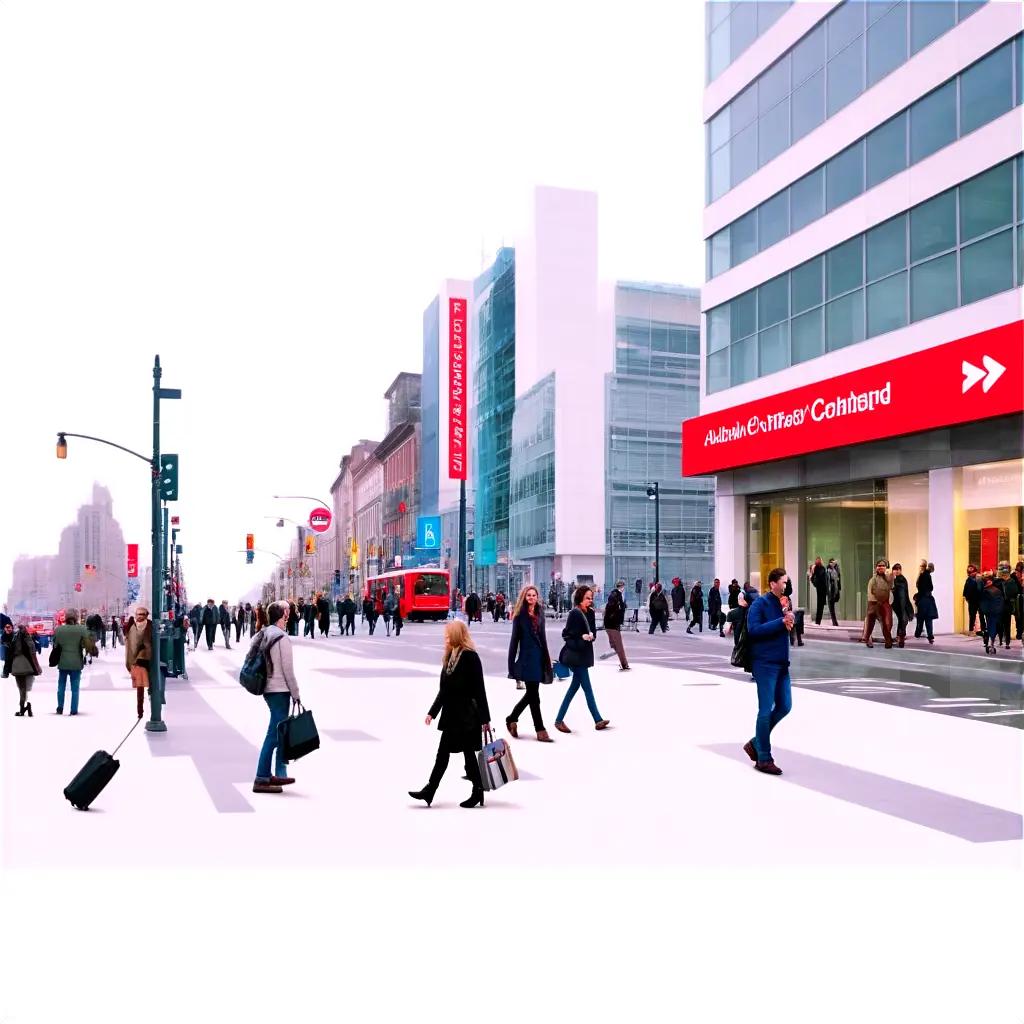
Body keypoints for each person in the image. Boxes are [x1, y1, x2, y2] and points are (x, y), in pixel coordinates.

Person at [408, 620, 490, 808]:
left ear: (457, 635)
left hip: (468, 715)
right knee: (443, 754)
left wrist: (485, 719)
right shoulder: (450, 656)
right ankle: (430, 790)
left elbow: (480, 689)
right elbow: (444, 690)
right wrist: (432, 712)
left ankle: (477, 790)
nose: (445, 637)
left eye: (448, 634)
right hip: (452, 715)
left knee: (469, 756)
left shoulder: (470, 657)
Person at [743, 568, 795, 776]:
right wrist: (780, 622)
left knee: (785, 706)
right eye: (783, 582)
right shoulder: (760, 604)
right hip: (764, 664)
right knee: (765, 709)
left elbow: (784, 626)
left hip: (782, 664)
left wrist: (790, 618)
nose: (786, 585)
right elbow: (753, 630)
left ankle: (756, 741)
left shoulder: (783, 603)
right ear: (772, 583)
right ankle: (763, 757)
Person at [252, 600, 301, 794]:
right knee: (274, 734)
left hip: (268, 688)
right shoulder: (281, 638)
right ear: (283, 615)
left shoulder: (264, 633)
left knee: (278, 732)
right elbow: (288, 670)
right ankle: (262, 777)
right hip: (279, 690)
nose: (290, 613)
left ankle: (279, 773)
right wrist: (296, 693)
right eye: (287, 611)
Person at [554, 586, 609, 734]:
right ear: (580, 598)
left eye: (591, 598)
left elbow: (594, 632)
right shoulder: (574, 613)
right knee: (588, 689)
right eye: (587, 598)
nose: (590, 601)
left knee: (573, 689)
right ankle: (597, 719)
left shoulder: (590, 613)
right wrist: (581, 638)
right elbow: (566, 635)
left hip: (584, 655)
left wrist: (591, 636)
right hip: (576, 656)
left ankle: (559, 720)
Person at [506, 585, 554, 742]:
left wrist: (547, 660)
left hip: (538, 658)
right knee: (534, 695)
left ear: (537, 597)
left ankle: (512, 718)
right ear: (524, 598)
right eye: (528, 596)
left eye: (534, 595)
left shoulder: (540, 613)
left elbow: (543, 638)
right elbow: (514, 641)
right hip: (526, 660)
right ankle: (540, 729)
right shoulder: (519, 616)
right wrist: (511, 664)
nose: (531, 598)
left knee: (531, 695)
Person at [52, 609, 95, 715]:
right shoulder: (82, 629)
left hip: (62, 662)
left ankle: (60, 707)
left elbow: (55, 644)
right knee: (75, 688)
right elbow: (87, 643)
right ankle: (73, 709)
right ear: (76, 617)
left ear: (66, 617)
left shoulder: (59, 630)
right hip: (76, 663)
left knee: (61, 686)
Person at [4, 623, 41, 717]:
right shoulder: (28, 639)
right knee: (26, 688)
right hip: (28, 665)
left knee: (21, 688)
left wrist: (6, 669)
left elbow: (9, 653)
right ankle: (26, 705)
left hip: (17, 665)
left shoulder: (15, 639)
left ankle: (22, 708)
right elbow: (33, 651)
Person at [124, 606, 154, 719]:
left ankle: (153, 710)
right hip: (137, 661)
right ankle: (140, 712)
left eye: (142, 614)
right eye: (138, 614)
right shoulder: (132, 626)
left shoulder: (151, 625)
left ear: (146, 615)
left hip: (148, 659)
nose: (140, 616)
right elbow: (128, 644)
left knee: (152, 687)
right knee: (140, 688)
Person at [864, 561, 894, 649]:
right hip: (873, 604)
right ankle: (867, 639)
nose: (880, 567)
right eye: (879, 566)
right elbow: (870, 592)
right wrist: (875, 601)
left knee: (885, 623)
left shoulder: (888, 578)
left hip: (883, 604)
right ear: (876, 568)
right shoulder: (873, 579)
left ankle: (888, 641)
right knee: (870, 623)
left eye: (883, 566)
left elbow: (891, 587)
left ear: (885, 567)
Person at [601, 579, 630, 671]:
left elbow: (610, 608)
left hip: (609, 623)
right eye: (622, 586)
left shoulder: (614, 595)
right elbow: (613, 608)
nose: (623, 588)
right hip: (613, 623)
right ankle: (624, 664)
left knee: (615, 644)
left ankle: (615, 652)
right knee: (618, 645)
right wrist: (620, 608)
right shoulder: (616, 595)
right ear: (621, 587)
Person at [978, 572, 1005, 655]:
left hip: (990, 613)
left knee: (991, 627)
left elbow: (984, 604)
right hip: (996, 612)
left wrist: (985, 611)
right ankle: (992, 644)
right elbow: (1001, 602)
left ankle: (991, 645)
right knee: (993, 627)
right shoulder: (997, 590)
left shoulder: (986, 591)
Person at [890, 564, 915, 649]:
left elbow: (902, 593)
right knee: (902, 619)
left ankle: (900, 637)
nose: (897, 571)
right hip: (897, 603)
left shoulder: (901, 579)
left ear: (900, 570)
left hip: (901, 603)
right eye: (895, 569)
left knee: (902, 619)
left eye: (898, 569)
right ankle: (900, 636)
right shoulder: (894, 579)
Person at [913, 560, 938, 644]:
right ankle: (930, 636)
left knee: (921, 618)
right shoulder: (927, 575)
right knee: (928, 619)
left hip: (921, 599)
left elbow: (919, 586)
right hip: (927, 599)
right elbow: (930, 587)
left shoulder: (920, 575)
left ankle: (918, 633)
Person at [997, 562, 1018, 650]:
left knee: (1006, 624)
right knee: (999, 624)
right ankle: (1001, 639)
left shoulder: (1012, 581)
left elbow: (1015, 592)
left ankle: (1007, 642)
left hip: (1007, 606)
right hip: (998, 606)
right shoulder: (998, 581)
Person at [963, 565, 984, 636]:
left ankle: (980, 630)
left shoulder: (978, 579)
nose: (973, 574)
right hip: (973, 601)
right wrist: (968, 598)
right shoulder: (970, 580)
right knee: (972, 616)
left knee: (979, 615)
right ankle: (971, 630)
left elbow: (981, 589)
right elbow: (966, 591)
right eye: (971, 573)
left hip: (978, 600)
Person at [809, 557, 828, 625]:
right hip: (822, 588)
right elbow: (822, 579)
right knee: (820, 605)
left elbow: (814, 577)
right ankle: (818, 621)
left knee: (820, 605)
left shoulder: (819, 568)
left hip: (820, 588)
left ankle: (818, 621)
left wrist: (814, 582)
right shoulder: (821, 568)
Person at [825, 558, 842, 626]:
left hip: (835, 590)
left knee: (832, 606)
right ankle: (834, 622)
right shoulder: (828, 570)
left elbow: (838, 578)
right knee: (831, 607)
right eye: (831, 562)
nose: (833, 564)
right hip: (830, 591)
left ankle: (834, 622)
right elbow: (827, 581)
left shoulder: (835, 570)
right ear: (829, 563)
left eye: (834, 562)